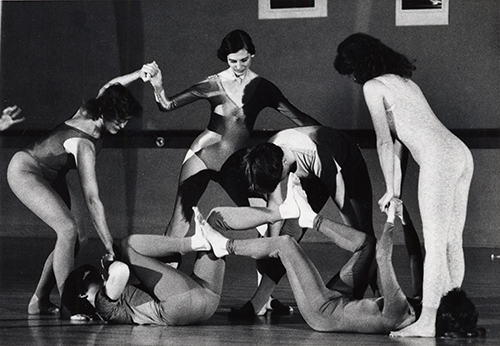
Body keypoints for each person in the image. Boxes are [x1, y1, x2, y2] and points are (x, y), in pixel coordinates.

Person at [334, 33, 474, 337]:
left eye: (352, 72)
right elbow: (402, 142)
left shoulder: (374, 87)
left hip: (439, 158)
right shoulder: (405, 82)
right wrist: (393, 190)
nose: (354, 80)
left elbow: (385, 141)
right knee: (452, 240)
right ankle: (449, 314)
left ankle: (427, 320)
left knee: (436, 242)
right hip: (460, 153)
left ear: (359, 66)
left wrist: (392, 191)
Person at [201, 186, 481, 336]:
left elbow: (385, 258)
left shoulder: (399, 313)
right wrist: (406, 218)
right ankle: (311, 218)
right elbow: (414, 257)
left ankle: (224, 246)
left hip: (322, 311)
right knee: (365, 245)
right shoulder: (420, 307)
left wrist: (391, 218)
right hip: (341, 299)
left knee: (285, 244)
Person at [140, 29, 320, 248]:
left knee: (266, 221)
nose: (238, 66)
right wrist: (158, 85)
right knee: (180, 222)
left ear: (252, 55)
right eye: (232, 61)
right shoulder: (213, 84)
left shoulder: (264, 88)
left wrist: (327, 134)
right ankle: (162, 274)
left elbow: (297, 116)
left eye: (244, 59)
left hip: (235, 164)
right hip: (202, 156)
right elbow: (166, 105)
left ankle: (267, 273)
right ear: (226, 59)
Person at [7, 71, 143, 315]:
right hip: (25, 170)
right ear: (105, 112)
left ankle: (38, 300)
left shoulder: (96, 106)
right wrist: (109, 245)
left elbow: (111, 85)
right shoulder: (84, 144)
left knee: (78, 237)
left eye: (126, 120)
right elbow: (92, 199)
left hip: (50, 173)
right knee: (67, 229)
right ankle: (69, 305)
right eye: (119, 119)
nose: (122, 125)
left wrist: (140, 74)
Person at [225, 126, 385, 318]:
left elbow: (344, 208)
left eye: (279, 179)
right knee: (288, 236)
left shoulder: (317, 157)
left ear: (284, 162)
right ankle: (257, 303)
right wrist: (273, 246)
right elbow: (275, 207)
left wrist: (357, 244)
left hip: (348, 164)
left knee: (364, 236)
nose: (278, 183)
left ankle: (382, 297)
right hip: (308, 171)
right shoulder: (271, 154)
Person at [60, 210, 224, 326]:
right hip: (176, 306)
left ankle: (233, 242)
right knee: (127, 245)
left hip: (206, 302)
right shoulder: (102, 306)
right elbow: (120, 271)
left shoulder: (116, 298)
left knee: (215, 220)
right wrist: (110, 264)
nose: (100, 277)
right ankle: (193, 243)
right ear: (81, 294)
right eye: (92, 277)